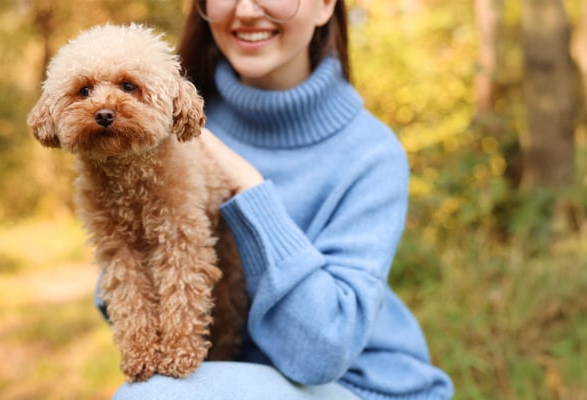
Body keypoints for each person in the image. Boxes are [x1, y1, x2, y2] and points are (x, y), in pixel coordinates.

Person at [103, 0, 455, 398]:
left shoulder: (372, 154)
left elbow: (320, 356)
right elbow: (120, 300)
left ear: (325, 6)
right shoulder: (160, 123)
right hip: (244, 376)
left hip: (361, 385)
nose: (247, 10)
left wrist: (248, 189)